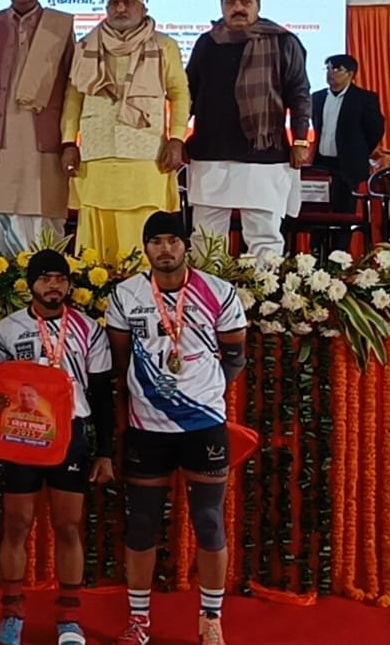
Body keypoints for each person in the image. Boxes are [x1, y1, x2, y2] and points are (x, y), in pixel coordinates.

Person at [106, 212, 248, 645]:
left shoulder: (219, 292)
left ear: (186, 245)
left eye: (173, 240)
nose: (165, 249)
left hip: (203, 425)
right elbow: (120, 361)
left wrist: (203, 394)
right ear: (145, 247)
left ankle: (211, 619)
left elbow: (235, 357)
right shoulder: (126, 295)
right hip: (146, 427)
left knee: (209, 521)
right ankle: (139, 621)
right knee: (141, 524)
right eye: (156, 241)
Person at [0, 250, 115, 645]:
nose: (54, 286)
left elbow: (102, 394)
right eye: (45, 279)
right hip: (22, 432)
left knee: (68, 526)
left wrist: (105, 451)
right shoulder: (7, 329)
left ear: (69, 284)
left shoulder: (89, 329)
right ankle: (11, 615)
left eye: (60, 278)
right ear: (31, 284)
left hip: (69, 434)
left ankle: (68, 620)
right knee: (17, 524)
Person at [186, 0, 312, 258]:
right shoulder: (207, 42)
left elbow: (299, 94)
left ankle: (265, 289)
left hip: (264, 153)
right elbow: (189, 93)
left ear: (258, 4)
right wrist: (175, 137)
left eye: (245, 1)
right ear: (222, 6)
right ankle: (208, 288)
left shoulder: (283, 41)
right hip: (210, 152)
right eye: (230, 2)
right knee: (205, 239)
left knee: (264, 236)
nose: (238, 8)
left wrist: (300, 140)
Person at [62, 0, 190, 263]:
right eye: (114, 3)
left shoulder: (164, 45)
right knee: (96, 232)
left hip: (146, 154)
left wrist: (177, 139)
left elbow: (180, 94)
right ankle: (95, 287)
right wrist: (69, 142)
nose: (120, 8)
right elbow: (73, 98)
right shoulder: (85, 46)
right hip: (97, 153)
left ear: (143, 9)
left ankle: (143, 286)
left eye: (128, 3)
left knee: (143, 228)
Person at [0, 0, 75, 253]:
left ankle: (44, 269)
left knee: (42, 203)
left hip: (44, 136)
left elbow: (72, 83)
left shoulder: (59, 26)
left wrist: (70, 139)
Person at [311, 54, 385, 215]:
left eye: (337, 69)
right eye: (328, 68)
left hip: (349, 165)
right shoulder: (317, 98)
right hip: (322, 163)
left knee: (345, 211)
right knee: (319, 210)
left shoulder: (364, 98)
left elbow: (375, 130)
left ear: (350, 74)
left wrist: (359, 151)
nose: (330, 73)